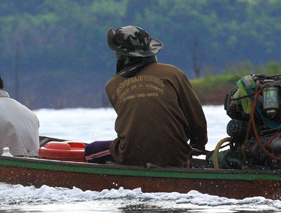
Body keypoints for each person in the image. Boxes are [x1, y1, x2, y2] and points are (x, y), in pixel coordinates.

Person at [89, 26, 208, 167]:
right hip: (176, 157)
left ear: (121, 56)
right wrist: (198, 146)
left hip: (130, 157)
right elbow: (197, 121)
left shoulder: (112, 85)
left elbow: (134, 128)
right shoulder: (173, 74)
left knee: (90, 151)